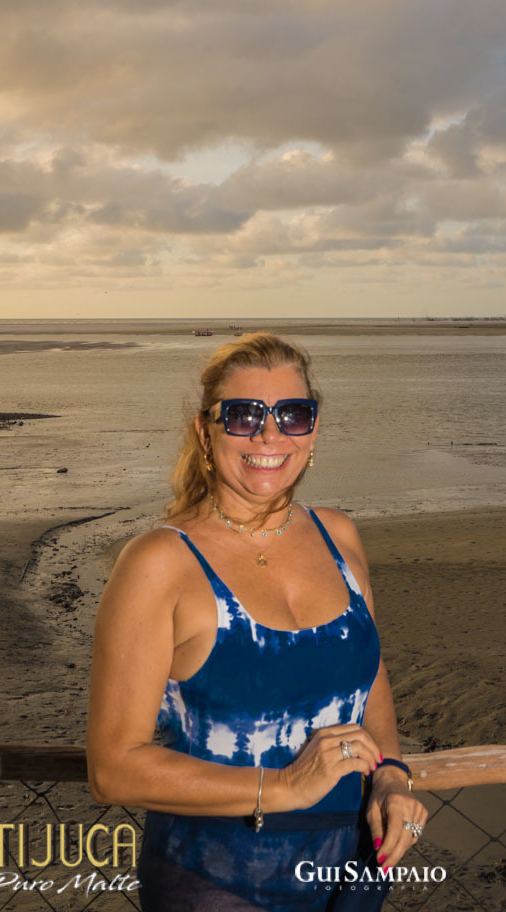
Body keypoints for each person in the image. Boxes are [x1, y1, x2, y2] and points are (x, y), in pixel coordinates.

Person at [87, 332, 427, 911]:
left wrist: (392, 772)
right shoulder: (159, 564)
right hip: (218, 884)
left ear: (313, 430)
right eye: (244, 415)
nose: (270, 434)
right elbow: (113, 770)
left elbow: (368, 680)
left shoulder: (338, 536)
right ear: (205, 430)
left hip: (353, 876)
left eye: (293, 414)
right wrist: (286, 787)